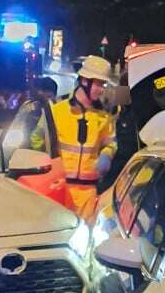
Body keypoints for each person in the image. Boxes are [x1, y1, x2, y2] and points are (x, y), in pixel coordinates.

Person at [50, 55, 117, 219]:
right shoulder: (57, 111)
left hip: (88, 192)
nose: (102, 89)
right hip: (59, 188)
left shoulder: (103, 117)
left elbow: (111, 144)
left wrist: (106, 156)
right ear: (85, 81)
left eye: (104, 84)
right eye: (99, 84)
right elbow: (39, 142)